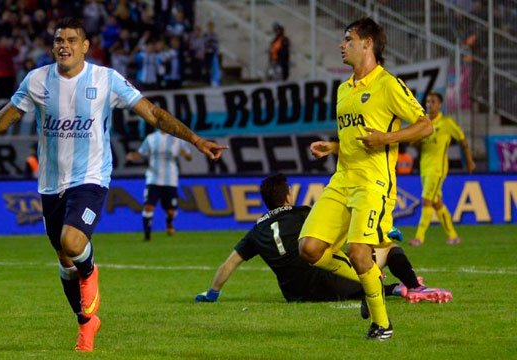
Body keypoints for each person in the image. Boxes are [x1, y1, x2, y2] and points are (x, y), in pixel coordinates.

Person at [0, 17, 227, 353]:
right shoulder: (37, 81)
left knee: (73, 243)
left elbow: (153, 114)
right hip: (51, 183)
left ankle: (91, 268)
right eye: (58, 40)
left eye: (71, 39)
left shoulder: (106, 79)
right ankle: (86, 323)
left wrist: (196, 139)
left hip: (91, 177)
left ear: (86, 46)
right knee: (64, 263)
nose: (63, 45)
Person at [297, 18, 433, 340]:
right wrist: (333, 145)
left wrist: (386, 139)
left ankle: (382, 325)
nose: (342, 45)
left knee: (359, 252)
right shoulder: (344, 89)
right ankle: (372, 280)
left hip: (374, 183)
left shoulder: (387, 84)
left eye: (348, 39)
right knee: (309, 249)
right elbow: (353, 137)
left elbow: (425, 125)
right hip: (342, 178)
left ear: (368, 43)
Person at [195, 174, 452, 306]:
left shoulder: (256, 231)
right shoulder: (304, 213)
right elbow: (350, 225)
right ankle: (411, 285)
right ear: (287, 196)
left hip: (296, 295)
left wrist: (212, 293)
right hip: (335, 284)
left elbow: (228, 265)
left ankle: (395, 289)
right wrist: (383, 229)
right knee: (387, 248)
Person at [410, 92, 475, 246]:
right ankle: (453, 236)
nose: (429, 104)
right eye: (427, 101)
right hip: (424, 167)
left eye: (433, 101)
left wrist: (470, 161)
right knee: (436, 202)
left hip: (437, 169)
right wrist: (416, 140)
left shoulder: (447, 123)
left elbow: (463, 141)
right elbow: (414, 143)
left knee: (426, 200)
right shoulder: (423, 122)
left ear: (440, 104)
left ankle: (419, 238)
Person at [126, 129, 193, 241]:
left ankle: (169, 222)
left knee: (171, 211)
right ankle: (147, 235)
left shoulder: (177, 139)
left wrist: (185, 154)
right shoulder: (151, 138)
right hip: (153, 178)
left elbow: (189, 157)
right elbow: (141, 153)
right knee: (148, 207)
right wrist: (133, 156)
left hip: (170, 180)